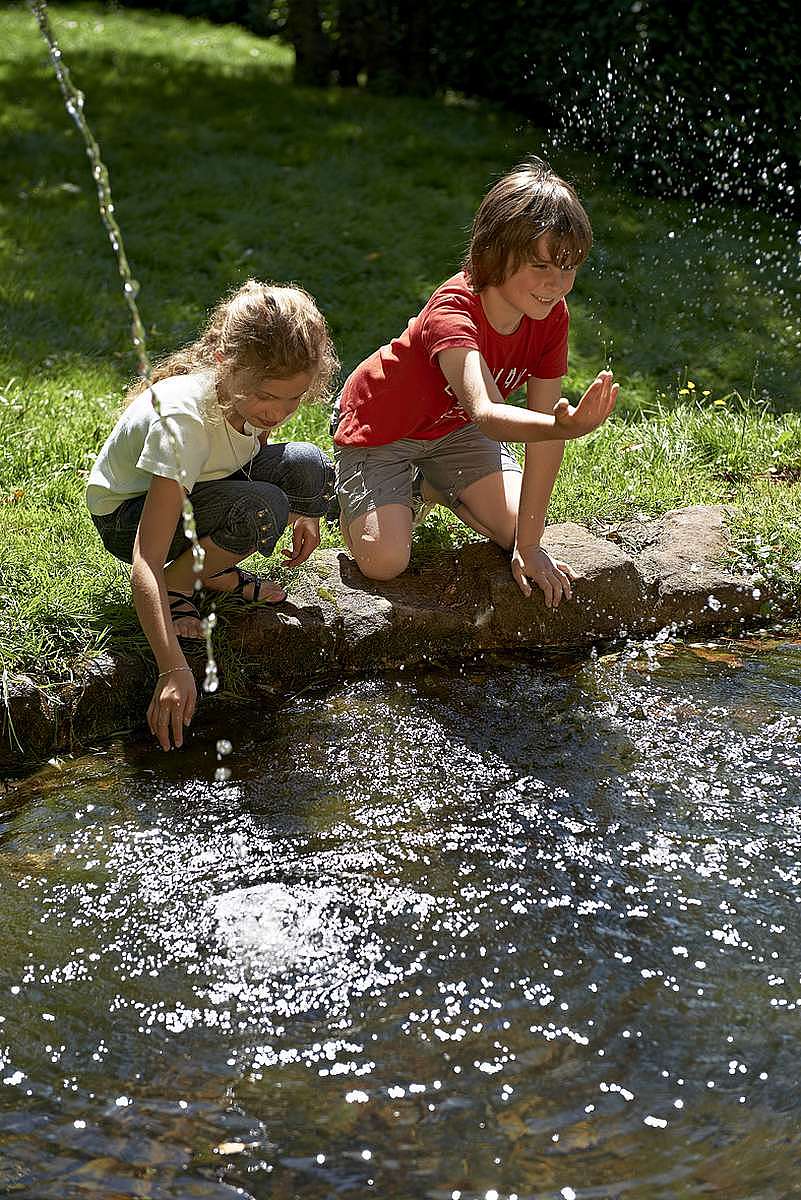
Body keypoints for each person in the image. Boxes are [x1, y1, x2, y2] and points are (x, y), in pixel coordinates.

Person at [332, 156, 618, 603]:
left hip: (454, 432)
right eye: (542, 267)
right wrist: (564, 427)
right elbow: (486, 413)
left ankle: (429, 485)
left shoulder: (549, 316)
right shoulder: (452, 310)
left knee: (519, 526)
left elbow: (543, 431)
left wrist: (528, 545)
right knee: (386, 563)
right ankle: (390, 483)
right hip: (382, 428)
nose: (557, 284)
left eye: (569, 268)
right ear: (495, 252)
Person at [86, 279, 338, 752]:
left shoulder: (247, 399)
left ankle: (208, 570)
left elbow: (249, 453)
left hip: (199, 485)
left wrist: (309, 515)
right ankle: (185, 579)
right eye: (270, 396)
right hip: (127, 516)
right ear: (226, 363)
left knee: (307, 463)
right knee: (263, 506)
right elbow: (144, 557)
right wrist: (173, 667)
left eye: (294, 398)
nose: (280, 411)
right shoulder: (185, 422)